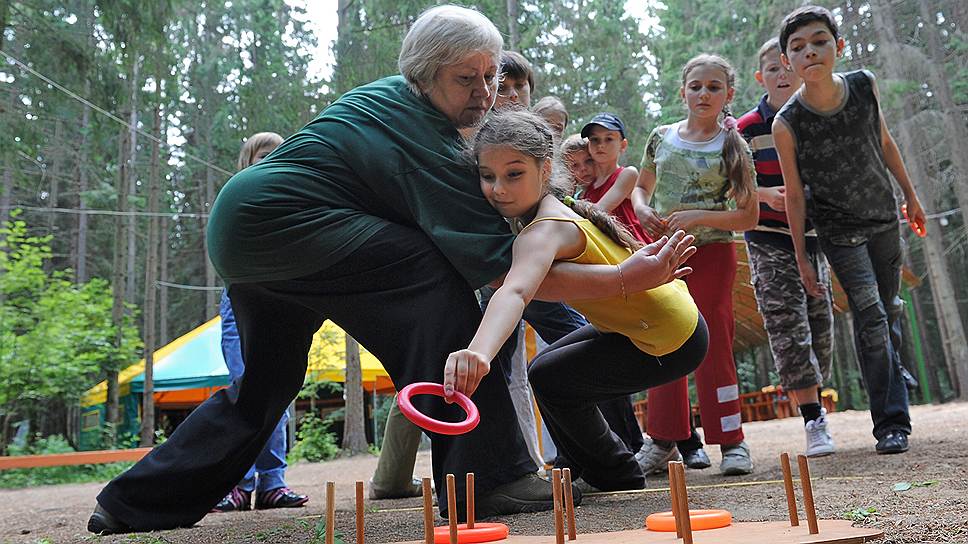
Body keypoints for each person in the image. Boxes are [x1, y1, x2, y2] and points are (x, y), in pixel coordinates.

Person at [88, 5, 695, 534]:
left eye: (491, 76)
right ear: (425, 74)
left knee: (265, 385)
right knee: (440, 287)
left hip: (245, 234)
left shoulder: (384, 97)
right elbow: (507, 276)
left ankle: (133, 503)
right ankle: (493, 478)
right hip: (287, 224)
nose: (485, 92)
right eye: (467, 79)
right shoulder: (425, 136)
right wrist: (622, 280)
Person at [444, 108, 706, 492]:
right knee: (546, 371)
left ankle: (615, 473)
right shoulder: (548, 211)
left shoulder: (545, 229)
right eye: (488, 176)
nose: (498, 188)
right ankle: (589, 466)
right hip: (649, 325)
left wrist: (479, 353)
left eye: (514, 174)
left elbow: (516, 290)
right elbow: (536, 285)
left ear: (545, 170)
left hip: (670, 338)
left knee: (552, 379)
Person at [773, 6, 926, 455]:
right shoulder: (787, 123)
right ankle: (892, 423)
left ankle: (891, 370)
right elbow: (795, 194)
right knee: (872, 316)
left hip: (883, 218)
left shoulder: (864, 85)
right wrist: (802, 255)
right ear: (788, 63)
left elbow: (884, 141)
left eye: (819, 41)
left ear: (838, 47)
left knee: (891, 307)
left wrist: (911, 197)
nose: (810, 52)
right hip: (839, 232)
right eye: (797, 48)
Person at [632, 54, 759, 476]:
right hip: (662, 251)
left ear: (729, 94)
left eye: (714, 87)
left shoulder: (732, 144)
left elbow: (748, 216)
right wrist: (642, 208)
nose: (703, 94)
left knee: (713, 342)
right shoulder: (661, 136)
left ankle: (732, 440)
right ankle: (662, 441)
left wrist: (699, 216)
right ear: (682, 90)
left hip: (713, 254)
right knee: (663, 338)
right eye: (696, 86)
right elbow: (641, 188)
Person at [737, 38, 835, 458]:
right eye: (771, 70)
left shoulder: (814, 121)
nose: (781, 76)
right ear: (762, 77)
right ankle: (813, 418)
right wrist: (763, 195)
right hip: (767, 238)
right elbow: (730, 189)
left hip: (814, 240)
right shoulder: (744, 129)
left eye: (786, 69)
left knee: (820, 327)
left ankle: (815, 398)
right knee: (787, 325)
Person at [212, 132, 310, 512]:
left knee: (280, 396)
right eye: (263, 156)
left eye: (278, 154)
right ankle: (238, 484)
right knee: (247, 388)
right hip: (241, 303)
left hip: (285, 304)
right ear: (247, 163)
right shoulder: (237, 200)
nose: (272, 160)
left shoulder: (293, 197)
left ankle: (272, 484)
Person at [580, 113, 650, 243]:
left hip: (634, 251)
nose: (600, 145)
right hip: (607, 252)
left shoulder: (628, 174)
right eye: (595, 139)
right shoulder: (588, 186)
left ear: (623, 145)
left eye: (609, 139)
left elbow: (598, 212)